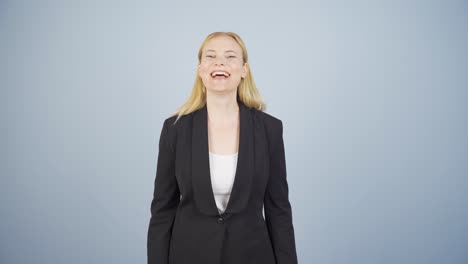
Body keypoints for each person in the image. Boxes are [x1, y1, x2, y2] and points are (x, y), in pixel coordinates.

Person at [147, 31, 298, 264]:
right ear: (200, 70)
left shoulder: (270, 129)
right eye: (211, 56)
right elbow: (162, 211)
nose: (219, 62)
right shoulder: (175, 129)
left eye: (230, 56)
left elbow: (279, 210)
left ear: (244, 71)